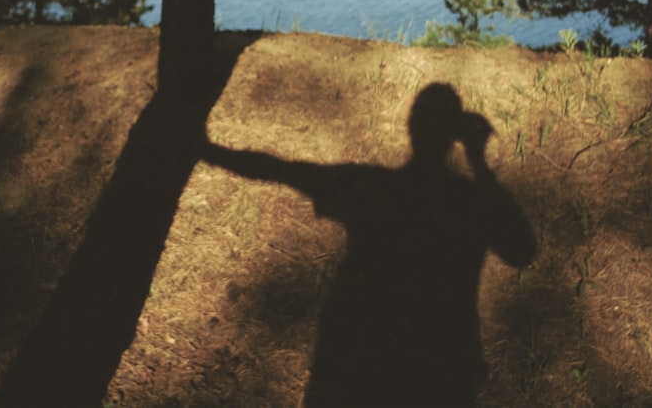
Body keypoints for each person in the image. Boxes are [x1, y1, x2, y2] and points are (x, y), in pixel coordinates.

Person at [203, 83, 536, 407]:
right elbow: (521, 250)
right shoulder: (472, 202)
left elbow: (281, 170)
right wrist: (479, 162)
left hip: (360, 360)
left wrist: (210, 152)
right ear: (456, 136)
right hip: (441, 365)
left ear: (410, 128)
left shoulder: (373, 187)